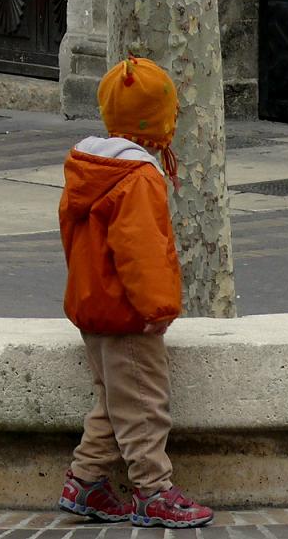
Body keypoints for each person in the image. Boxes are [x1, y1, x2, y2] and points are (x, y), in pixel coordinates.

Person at [57, 56, 213, 529]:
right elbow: (142, 250)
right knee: (145, 405)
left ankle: (86, 481)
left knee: (113, 401)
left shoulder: (88, 166)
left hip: (92, 305)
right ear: (159, 122)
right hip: (128, 315)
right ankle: (153, 490)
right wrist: (157, 309)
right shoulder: (138, 177)